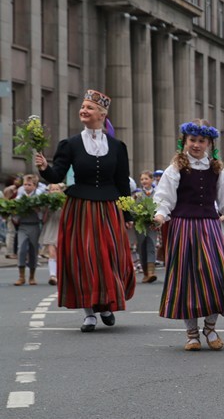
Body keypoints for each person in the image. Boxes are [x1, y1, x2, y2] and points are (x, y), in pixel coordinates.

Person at [35, 89, 135, 333]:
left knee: (108, 257)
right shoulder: (70, 144)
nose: (84, 110)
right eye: (82, 107)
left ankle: (107, 304)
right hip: (80, 208)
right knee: (84, 258)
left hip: (109, 208)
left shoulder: (117, 146)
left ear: (101, 114)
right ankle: (89, 312)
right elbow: (57, 175)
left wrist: (127, 214)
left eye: (89, 107)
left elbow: (122, 183)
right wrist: (45, 167)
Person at [153, 119, 224, 351]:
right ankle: (192, 333)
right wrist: (160, 214)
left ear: (209, 143)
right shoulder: (176, 169)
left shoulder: (217, 170)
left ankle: (211, 327)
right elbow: (164, 197)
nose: (196, 145)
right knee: (186, 280)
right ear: (185, 141)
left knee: (216, 277)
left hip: (209, 227)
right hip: (183, 227)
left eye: (201, 140)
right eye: (192, 140)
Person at [13, 174, 43, 286]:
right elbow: (14, 209)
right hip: (23, 226)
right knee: (21, 249)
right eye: (25, 184)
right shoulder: (20, 195)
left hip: (34, 225)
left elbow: (43, 212)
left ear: (34, 186)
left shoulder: (39, 196)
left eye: (29, 184)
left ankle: (32, 276)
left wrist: (37, 210)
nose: (26, 186)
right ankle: (21, 276)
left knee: (33, 250)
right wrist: (15, 216)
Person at [39, 182, 66, 285]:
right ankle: (53, 275)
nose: (55, 191)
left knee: (62, 254)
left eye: (57, 189)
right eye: (52, 189)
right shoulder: (46, 202)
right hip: (51, 228)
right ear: (49, 191)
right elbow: (43, 216)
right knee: (52, 253)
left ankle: (61, 275)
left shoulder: (65, 201)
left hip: (62, 228)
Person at [135, 170, 158, 283]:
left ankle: (151, 272)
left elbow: (160, 208)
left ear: (152, 180)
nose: (144, 181)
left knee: (151, 245)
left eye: (146, 179)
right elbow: (134, 209)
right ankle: (145, 273)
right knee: (142, 247)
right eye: (142, 179)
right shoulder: (138, 195)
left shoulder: (157, 194)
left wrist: (157, 220)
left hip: (152, 225)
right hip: (141, 225)